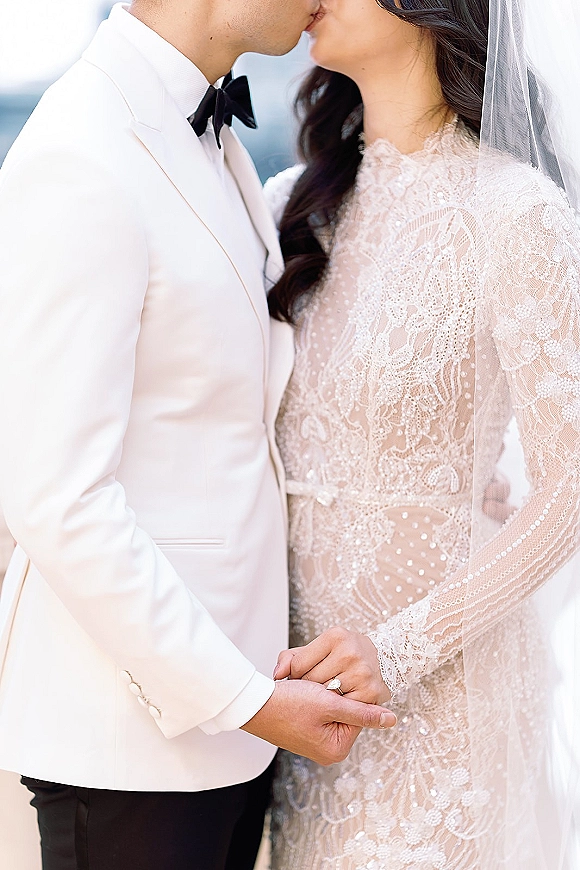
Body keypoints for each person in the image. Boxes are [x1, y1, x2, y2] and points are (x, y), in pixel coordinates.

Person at [0, 1, 399, 868]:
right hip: (127, 739)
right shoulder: (80, 149)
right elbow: (55, 495)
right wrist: (244, 699)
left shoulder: (205, 134)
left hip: (232, 723)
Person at [264, 0, 580, 866]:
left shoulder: (515, 213)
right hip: (298, 709)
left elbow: (572, 486)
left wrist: (397, 653)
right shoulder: (288, 208)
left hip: (440, 701)